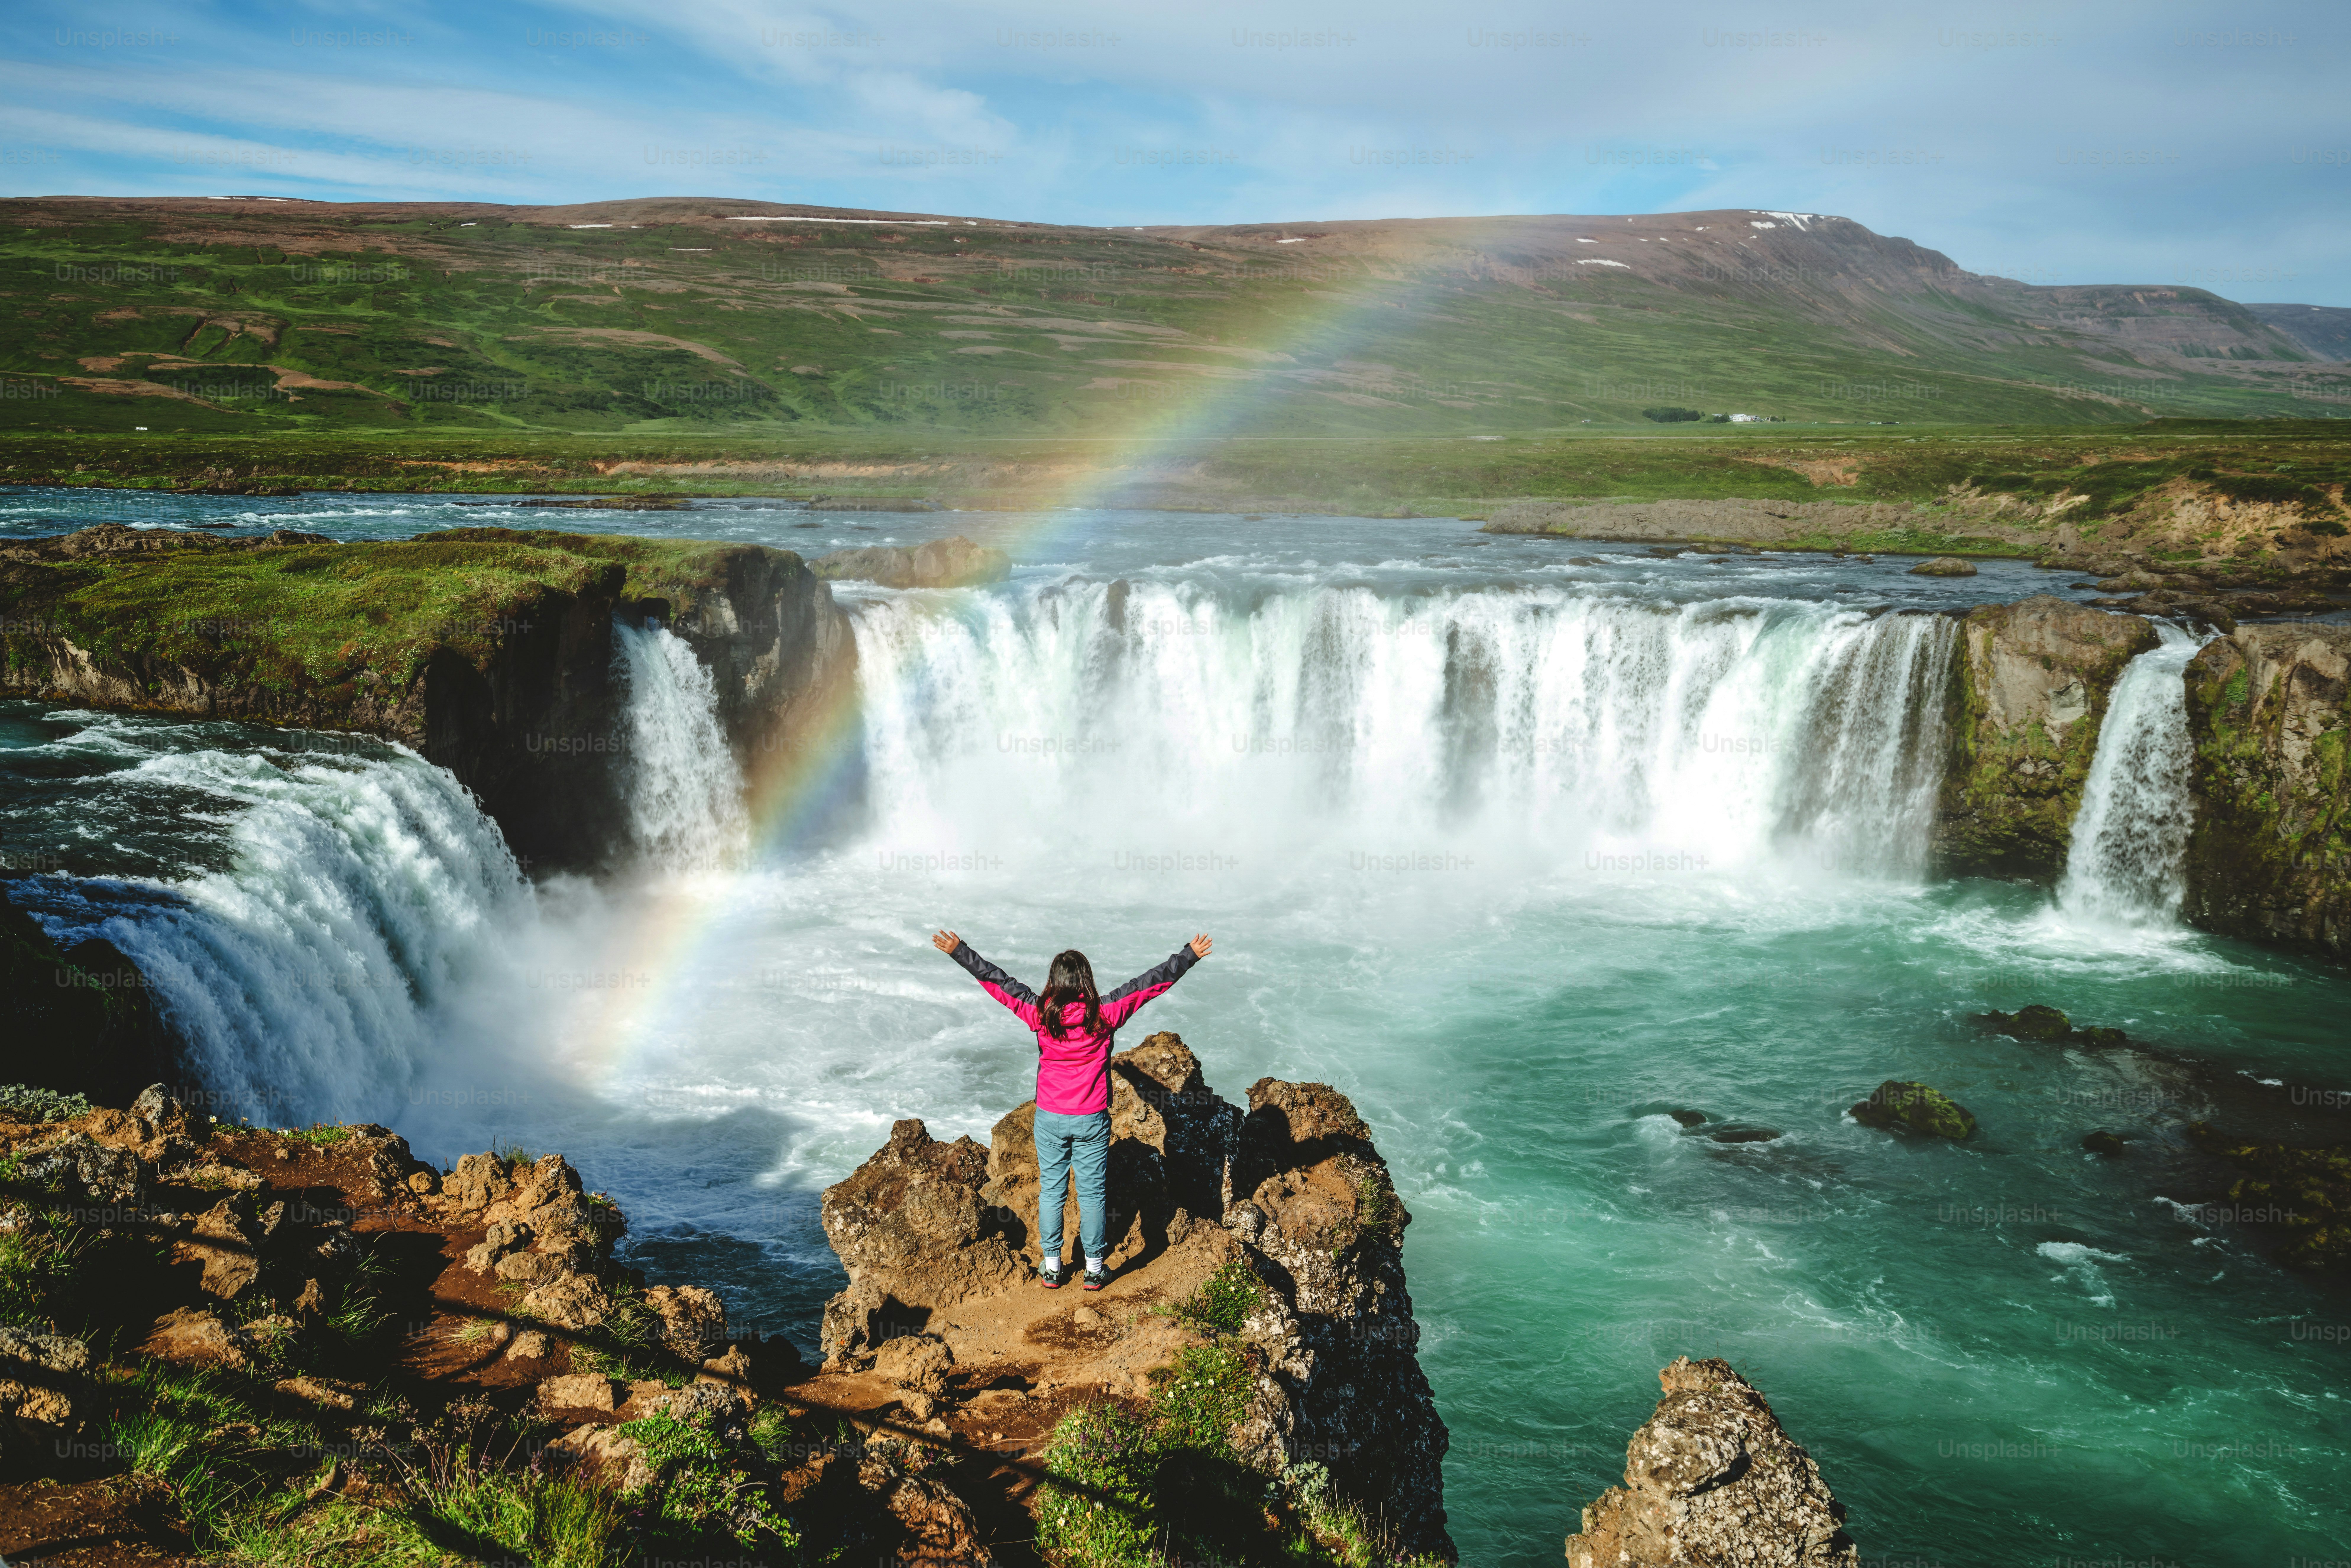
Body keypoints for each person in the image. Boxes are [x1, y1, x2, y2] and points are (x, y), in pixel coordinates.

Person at [932, 929, 1210, 1291]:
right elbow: (1150, 984)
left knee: (1052, 1191)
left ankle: (1052, 1267)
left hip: (1050, 1117)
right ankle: (1094, 1269)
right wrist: (1189, 955)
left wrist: (960, 952)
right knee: (1092, 1194)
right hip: (1091, 1118)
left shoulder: (1040, 1013)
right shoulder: (1106, 1013)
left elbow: (998, 982)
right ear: (1086, 980)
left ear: (1054, 982)